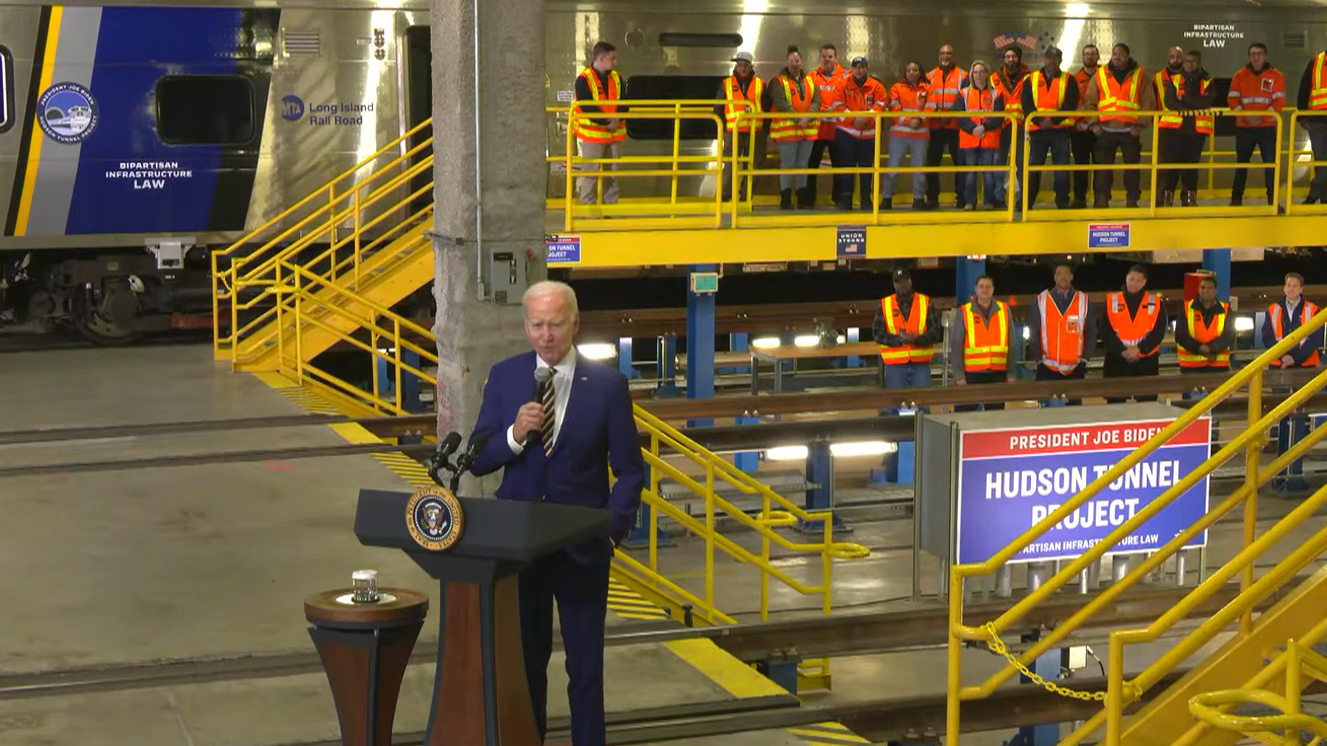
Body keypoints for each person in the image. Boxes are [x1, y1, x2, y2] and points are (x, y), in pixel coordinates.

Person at [468, 280, 645, 746]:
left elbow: (630, 471)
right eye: (537, 325)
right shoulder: (505, 377)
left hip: (582, 547)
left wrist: (610, 532)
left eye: (556, 324)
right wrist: (513, 434)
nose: (546, 335)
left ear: (575, 323)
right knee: (527, 664)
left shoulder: (608, 386)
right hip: (520, 547)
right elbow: (478, 456)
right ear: (526, 326)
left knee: (585, 667)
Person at [1083, 43, 1155, 208]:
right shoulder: (1100, 75)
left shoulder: (1141, 75)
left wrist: (1142, 125)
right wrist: (1093, 124)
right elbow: (1089, 102)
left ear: (1128, 56)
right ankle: (1101, 200)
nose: (1117, 57)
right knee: (1102, 169)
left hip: (1131, 131)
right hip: (1104, 131)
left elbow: (1148, 102)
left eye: (1121, 54)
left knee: (1132, 169)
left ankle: (1132, 200)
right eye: (1114, 54)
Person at [1026, 261, 1096, 405]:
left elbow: (1091, 331)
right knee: (1048, 416)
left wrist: (1085, 359)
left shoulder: (1083, 300)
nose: (1062, 277)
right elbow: (1033, 332)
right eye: (1059, 273)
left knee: (1074, 415)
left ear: (1071, 277)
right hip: (1047, 368)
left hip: (1076, 369)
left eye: (1066, 274)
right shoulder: (1041, 300)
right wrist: (1038, 360)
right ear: (1054, 277)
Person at [1227, 42, 1286, 206]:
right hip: (1244, 128)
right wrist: (1246, 116)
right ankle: (1236, 200)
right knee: (1241, 165)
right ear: (1249, 56)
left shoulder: (1276, 76)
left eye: (1259, 53)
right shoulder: (1239, 76)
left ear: (1265, 56)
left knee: (1271, 165)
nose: (1256, 56)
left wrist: (1262, 117)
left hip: (1266, 128)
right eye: (1253, 53)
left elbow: (1280, 100)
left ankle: (1273, 202)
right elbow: (1232, 99)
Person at [1020, 46, 1079, 209]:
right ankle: (1026, 202)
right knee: (1033, 168)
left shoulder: (1069, 80)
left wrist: (1052, 120)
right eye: (1048, 58)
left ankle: (1062, 201)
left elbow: (1070, 104)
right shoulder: (1030, 79)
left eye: (1055, 58)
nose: (1051, 61)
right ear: (1043, 59)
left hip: (1060, 131)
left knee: (1061, 169)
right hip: (1037, 132)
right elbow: (1026, 104)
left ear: (1060, 60)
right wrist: (1040, 122)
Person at [1103, 264, 1168, 404]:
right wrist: (1123, 351)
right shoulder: (1111, 300)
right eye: (1132, 279)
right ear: (1126, 278)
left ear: (1144, 282)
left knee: (1147, 405)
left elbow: (1159, 331)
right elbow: (1105, 330)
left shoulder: (1155, 302)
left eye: (1138, 281)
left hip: (1146, 361)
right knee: (1115, 405)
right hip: (1117, 361)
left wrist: (1139, 349)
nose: (1134, 283)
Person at [1159, 49, 1216, 207]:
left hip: (1196, 132)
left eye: (1193, 62)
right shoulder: (1175, 79)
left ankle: (1189, 198)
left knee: (1192, 167)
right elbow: (1170, 102)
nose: (1189, 65)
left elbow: (1206, 102)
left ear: (1199, 63)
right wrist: (1193, 103)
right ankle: (1167, 199)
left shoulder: (1208, 81)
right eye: (1187, 61)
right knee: (1171, 166)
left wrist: (1183, 98)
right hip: (1174, 130)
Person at [949, 274, 1014, 411]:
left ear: (993, 289)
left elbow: (1012, 345)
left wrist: (1011, 374)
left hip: (997, 374)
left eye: (988, 286)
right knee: (966, 417)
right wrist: (959, 376)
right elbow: (956, 347)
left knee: (995, 419)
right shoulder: (964, 312)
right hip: (971, 375)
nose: (985, 289)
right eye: (981, 286)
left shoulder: (1004, 310)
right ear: (976, 289)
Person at [573, 41, 627, 206]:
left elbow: (625, 102)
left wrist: (618, 119)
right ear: (601, 58)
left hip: (614, 134)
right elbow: (586, 106)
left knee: (613, 174)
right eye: (613, 58)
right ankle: (587, 211)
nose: (615, 62)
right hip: (594, 135)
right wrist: (607, 121)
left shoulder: (617, 77)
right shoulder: (584, 79)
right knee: (590, 174)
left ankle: (611, 210)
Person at [832, 56, 889, 210]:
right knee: (846, 167)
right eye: (856, 67)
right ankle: (846, 199)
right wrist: (853, 119)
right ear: (852, 69)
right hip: (847, 133)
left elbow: (882, 103)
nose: (859, 70)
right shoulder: (842, 85)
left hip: (869, 134)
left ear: (866, 69)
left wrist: (866, 117)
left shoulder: (876, 86)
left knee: (867, 168)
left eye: (862, 67)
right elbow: (837, 104)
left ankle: (865, 199)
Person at [873, 267, 942, 394]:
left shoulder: (925, 302)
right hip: (895, 365)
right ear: (894, 284)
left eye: (904, 281)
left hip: (921, 363)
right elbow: (877, 333)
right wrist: (899, 340)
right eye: (898, 282)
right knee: (892, 405)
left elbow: (936, 332)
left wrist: (918, 340)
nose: (902, 285)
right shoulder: (884, 304)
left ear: (910, 282)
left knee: (924, 403)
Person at [770, 46, 820, 210]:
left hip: (807, 131)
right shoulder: (778, 81)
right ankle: (785, 198)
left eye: (797, 60)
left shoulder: (811, 81)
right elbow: (781, 103)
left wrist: (807, 117)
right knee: (788, 164)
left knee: (803, 164)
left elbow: (817, 102)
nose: (795, 64)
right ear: (787, 61)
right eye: (792, 60)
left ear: (802, 61)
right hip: (787, 133)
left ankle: (801, 197)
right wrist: (800, 118)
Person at [953, 60, 1006, 209]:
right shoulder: (963, 93)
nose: (978, 75)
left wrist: (984, 127)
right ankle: (970, 202)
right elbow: (959, 115)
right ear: (971, 75)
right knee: (970, 173)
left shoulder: (996, 93)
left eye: (981, 72)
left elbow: (999, 116)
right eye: (975, 72)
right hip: (969, 139)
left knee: (988, 172)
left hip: (988, 138)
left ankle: (988, 201)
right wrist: (973, 129)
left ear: (986, 74)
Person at [882, 62, 934, 210]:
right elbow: (894, 107)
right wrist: (909, 121)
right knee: (893, 166)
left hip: (921, 135)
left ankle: (918, 199)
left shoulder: (927, 88)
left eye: (915, 70)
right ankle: (886, 198)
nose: (912, 72)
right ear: (905, 72)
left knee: (920, 168)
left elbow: (931, 107)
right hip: (899, 135)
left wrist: (919, 120)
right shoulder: (896, 88)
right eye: (909, 70)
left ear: (920, 72)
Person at [716, 51, 764, 203]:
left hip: (754, 132)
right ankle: (724, 195)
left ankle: (746, 195)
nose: (742, 68)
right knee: (729, 165)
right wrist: (723, 129)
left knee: (754, 165)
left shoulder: (760, 84)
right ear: (736, 66)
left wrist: (764, 130)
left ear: (751, 67)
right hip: (733, 132)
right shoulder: (726, 84)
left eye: (745, 65)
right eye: (740, 65)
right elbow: (718, 109)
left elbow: (767, 107)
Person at [806, 44, 850, 208]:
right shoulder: (811, 76)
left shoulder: (846, 75)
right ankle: (808, 199)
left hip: (838, 128)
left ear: (836, 58)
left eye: (830, 56)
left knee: (840, 165)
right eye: (824, 56)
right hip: (817, 128)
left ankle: (839, 199)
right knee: (811, 166)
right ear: (820, 58)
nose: (827, 59)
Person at [926, 44, 967, 209]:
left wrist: (949, 115)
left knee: (960, 163)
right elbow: (927, 97)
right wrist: (937, 113)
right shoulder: (930, 75)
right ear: (938, 56)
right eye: (942, 53)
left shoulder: (963, 75)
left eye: (949, 53)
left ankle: (961, 198)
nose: (945, 56)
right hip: (935, 126)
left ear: (953, 56)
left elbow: (964, 98)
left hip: (956, 127)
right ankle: (932, 198)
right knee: (932, 164)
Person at [1262, 272, 1322, 368]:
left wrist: (1295, 359)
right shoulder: (1273, 309)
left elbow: (1316, 339)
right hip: (1278, 364)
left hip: (1306, 366)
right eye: (1289, 285)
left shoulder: (1313, 310)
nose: (1291, 289)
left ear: (1301, 289)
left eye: (1295, 286)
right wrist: (1283, 356)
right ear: (1284, 288)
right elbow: (1267, 337)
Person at [1175, 275, 1235, 373]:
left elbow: (1229, 335)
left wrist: (1211, 348)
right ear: (1198, 289)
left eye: (1210, 288)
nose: (1205, 290)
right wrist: (1200, 348)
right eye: (1202, 287)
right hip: (1191, 367)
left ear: (1215, 291)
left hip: (1218, 366)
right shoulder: (1185, 308)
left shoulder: (1226, 309)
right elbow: (1180, 335)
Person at [1071, 44, 1101, 208]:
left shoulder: (1105, 77)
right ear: (1082, 57)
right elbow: (1072, 106)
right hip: (1081, 131)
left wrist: (1098, 123)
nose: (1089, 57)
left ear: (1098, 57)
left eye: (1092, 54)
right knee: (1080, 166)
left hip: (1100, 130)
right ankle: (1079, 198)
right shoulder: (1074, 80)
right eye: (1086, 54)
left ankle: (1100, 198)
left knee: (1101, 167)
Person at [1295, 48, 1327, 203]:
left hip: (1317, 121)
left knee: (1322, 163)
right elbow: (1305, 87)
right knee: (1321, 162)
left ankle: (1316, 196)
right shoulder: (1316, 61)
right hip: (1318, 120)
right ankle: (1317, 196)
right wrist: (1302, 116)